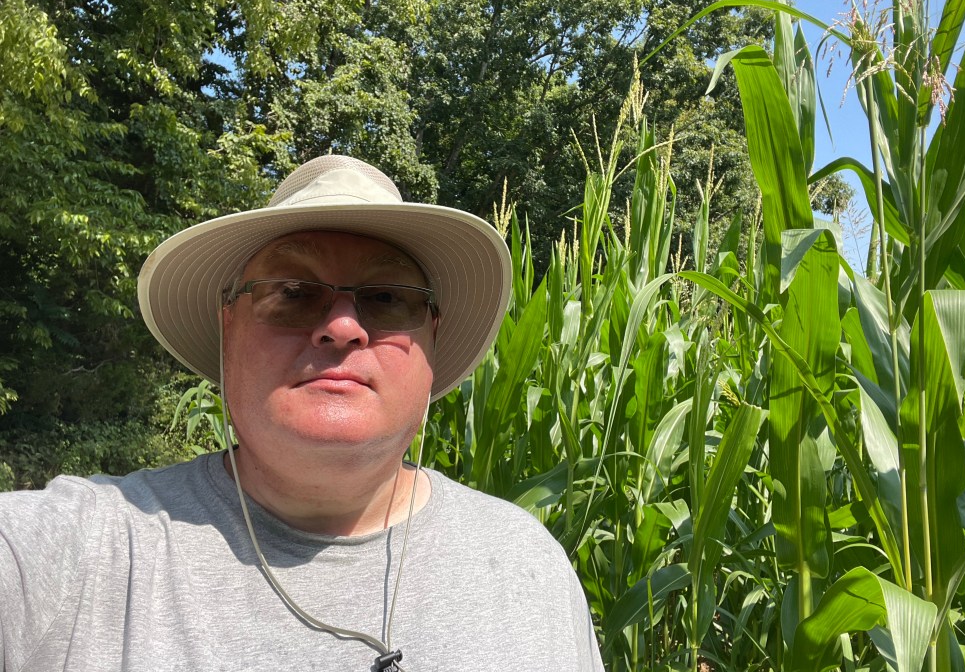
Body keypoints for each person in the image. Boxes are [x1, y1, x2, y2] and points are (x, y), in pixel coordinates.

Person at [0, 155, 604, 671]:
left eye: (387, 298)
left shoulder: (528, 567)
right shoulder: (78, 553)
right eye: (292, 292)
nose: (342, 327)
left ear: (432, 341)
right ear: (228, 328)